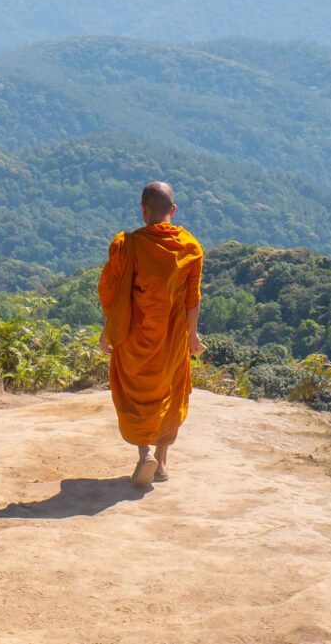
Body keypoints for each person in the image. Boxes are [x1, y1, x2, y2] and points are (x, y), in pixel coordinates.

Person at [97, 181, 205, 486]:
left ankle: (144, 452)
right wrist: (192, 337)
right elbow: (192, 300)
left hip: (134, 337)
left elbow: (111, 292)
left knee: (136, 394)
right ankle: (162, 463)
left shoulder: (126, 246)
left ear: (143, 209)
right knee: (169, 393)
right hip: (172, 338)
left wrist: (109, 330)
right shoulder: (190, 248)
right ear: (172, 210)